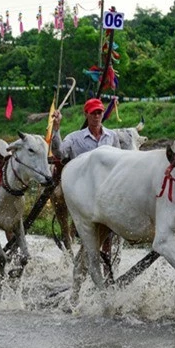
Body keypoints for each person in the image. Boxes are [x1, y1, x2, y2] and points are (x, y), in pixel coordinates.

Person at [50, 97, 121, 280]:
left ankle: (108, 273)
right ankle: (83, 264)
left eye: (99, 112)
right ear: (86, 114)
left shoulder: (112, 136)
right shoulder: (75, 138)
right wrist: (56, 129)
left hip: (107, 193)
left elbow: (121, 162)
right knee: (89, 235)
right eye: (93, 113)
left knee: (110, 235)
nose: (97, 116)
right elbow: (58, 153)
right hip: (83, 194)